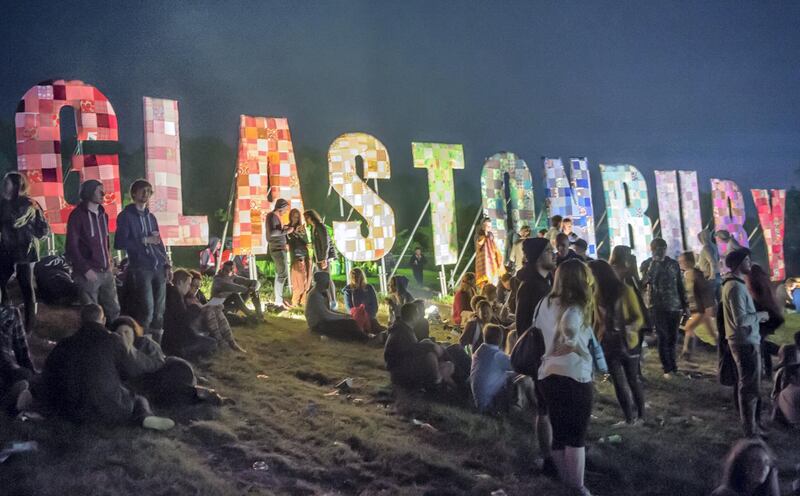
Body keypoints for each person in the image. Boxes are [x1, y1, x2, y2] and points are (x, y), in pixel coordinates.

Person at [42, 304, 174, 431]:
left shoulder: (65, 343)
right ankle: (145, 416)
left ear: (80, 321)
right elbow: (133, 368)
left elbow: (48, 372)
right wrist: (157, 362)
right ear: (103, 320)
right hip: (108, 409)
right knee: (138, 399)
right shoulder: (113, 340)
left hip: (69, 410)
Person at [532, 259, 596, 495]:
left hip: (548, 373)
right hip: (574, 373)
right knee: (576, 434)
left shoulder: (544, 303)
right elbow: (569, 337)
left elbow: (538, 333)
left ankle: (565, 482)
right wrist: (578, 349)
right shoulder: (576, 307)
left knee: (559, 432)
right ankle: (577, 487)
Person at [108, 316, 229, 406]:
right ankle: (206, 395)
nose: (123, 336)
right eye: (119, 333)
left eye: (126, 332)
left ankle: (212, 397)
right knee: (169, 400)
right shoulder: (114, 351)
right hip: (152, 384)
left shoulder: (145, 343)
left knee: (174, 388)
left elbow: (157, 364)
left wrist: (131, 352)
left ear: (134, 332)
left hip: (171, 369)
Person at [589, 259, 646, 425]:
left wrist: (627, 328)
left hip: (628, 342)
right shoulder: (596, 294)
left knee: (632, 379)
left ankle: (641, 416)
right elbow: (596, 321)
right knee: (618, 382)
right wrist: (593, 338)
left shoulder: (625, 291)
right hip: (607, 342)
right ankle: (629, 418)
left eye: (591, 273)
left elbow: (638, 317)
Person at [721, 248, 770, 438]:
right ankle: (750, 431)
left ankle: (753, 426)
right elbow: (741, 319)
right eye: (747, 260)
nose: (750, 263)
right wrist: (760, 316)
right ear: (738, 264)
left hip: (745, 340)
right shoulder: (735, 287)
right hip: (745, 342)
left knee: (750, 386)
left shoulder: (735, 284)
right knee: (749, 387)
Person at [114, 179, 169, 339]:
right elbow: (119, 242)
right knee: (147, 310)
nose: (146, 194)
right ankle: (142, 347)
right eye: (143, 191)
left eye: (149, 191)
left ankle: (157, 349)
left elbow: (159, 242)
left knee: (159, 311)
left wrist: (167, 264)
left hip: (157, 266)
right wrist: (143, 240)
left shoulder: (151, 217)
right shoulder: (125, 216)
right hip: (140, 267)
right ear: (134, 193)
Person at [66, 179, 120, 323]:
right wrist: (85, 269)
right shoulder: (77, 215)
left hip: (105, 270)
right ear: (89, 192)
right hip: (88, 272)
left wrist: (109, 261)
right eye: (99, 190)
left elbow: (105, 241)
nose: (103, 193)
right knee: (92, 314)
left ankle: (115, 340)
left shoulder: (103, 215)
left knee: (113, 309)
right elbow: (72, 245)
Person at [0, 171, 49, 331]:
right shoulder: (5, 203)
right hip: (7, 250)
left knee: (26, 287)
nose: (3, 186)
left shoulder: (27, 204)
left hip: (25, 252)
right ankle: (7, 316)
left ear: (16, 186)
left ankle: (29, 327)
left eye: (6, 183)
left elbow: (15, 221)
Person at [640, 238, 688, 378]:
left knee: (673, 337)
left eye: (663, 248)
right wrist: (653, 265)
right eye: (658, 249)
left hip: (674, 305)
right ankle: (667, 368)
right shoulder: (648, 264)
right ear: (652, 250)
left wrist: (685, 305)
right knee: (663, 336)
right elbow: (643, 283)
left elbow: (680, 284)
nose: (661, 251)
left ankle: (673, 366)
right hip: (657, 306)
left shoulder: (673, 264)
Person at [384, 302, 454, 390]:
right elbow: (412, 350)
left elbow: (412, 349)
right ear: (413, 317)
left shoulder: (401, 328)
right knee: (440, 361)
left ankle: (441, 380)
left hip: (400, 369)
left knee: (442, 361)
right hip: (401, 374)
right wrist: (431, 347)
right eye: (417, 314)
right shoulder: (402, 332)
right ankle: (437, 383)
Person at [162, 269, 217, 359]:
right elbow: (183, 320)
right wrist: (195, 308)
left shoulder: (172, 294)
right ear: (180, 282)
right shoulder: (175, 295)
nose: (188, 288)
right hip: (178, 341)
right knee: (212, 343)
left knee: (210, 341)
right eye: (188, 284)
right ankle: (186, 353)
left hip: (176, 338)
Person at [186, 270, 245, 353]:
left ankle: (231, 341)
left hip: (206, 320)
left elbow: (204, 305)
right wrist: (207, 308)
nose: (195, 289)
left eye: (198, 287)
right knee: (211, 311)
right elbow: (192, 315)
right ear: (188, 284)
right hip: (196, 325)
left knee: (217, 310)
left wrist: (215, 305)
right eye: (193, 286)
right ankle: (221, 341)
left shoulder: (197, 295)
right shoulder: (184, 298)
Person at [305, 271, 369, 341]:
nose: (328, 283)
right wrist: (344, 317)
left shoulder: (323, 292)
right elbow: (326, 315)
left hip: (324, 321)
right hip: (318, 325)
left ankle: (365, 337)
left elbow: (329, 311)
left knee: (350, 323)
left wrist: (345, 315)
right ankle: (366, 340)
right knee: (349, 324)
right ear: (321, 281)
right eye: (327, 281)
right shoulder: (315, 296)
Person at [746, 264, 785, 377]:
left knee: (759, 343)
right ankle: (768, 371)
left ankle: (787, 352)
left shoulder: (755, 285)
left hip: (767, 319)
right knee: (761, 343)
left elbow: (756, 305)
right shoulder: (764, 283)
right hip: (772, 318)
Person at [678, 251, 716, 360]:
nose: (680, 263)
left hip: (701, 309)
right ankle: (687, 352)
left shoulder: (696, 275)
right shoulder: (686, 275)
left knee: (689, 327)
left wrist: (709, 306)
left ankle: (686, 352)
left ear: (689, 262)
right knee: (709, 332)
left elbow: (705, 291)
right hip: (696, 309)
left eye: (682, 261)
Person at [0, 299, 35, 415]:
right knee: (25, 377)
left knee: (23, 376)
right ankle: (9, 404)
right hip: (6, 367)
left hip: (6, 367)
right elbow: (22, 351)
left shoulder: (10, 313)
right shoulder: (11, 313)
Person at [711, 438, 780, 496]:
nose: (763, 467)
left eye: (766, 462)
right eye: (755, 461)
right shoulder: (724, 494)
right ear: (742, 464)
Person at [514, 238, 555, 334]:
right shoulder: (528, 287)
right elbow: (523, 326)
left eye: (552, 250)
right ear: (537, 256)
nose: (554, 255)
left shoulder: (549, 282)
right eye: (548, 250)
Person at [304, 209, 337, 309]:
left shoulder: (320, 226)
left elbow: (325, 243)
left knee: (327, 279)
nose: (306, 220)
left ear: (310, 217)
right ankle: (328, 300)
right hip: (319, 257)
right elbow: (318, 242)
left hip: (323, 257)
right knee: (325, 279)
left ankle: (333, 302)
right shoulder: (314, 227)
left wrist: (324, 258)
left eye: (306, 218)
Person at [265, 199, 294, 308]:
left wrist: (283, 228)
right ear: (281, 207)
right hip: (277, 249)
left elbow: (276, 231)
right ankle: (278, 300)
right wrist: (286, 231)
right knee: (283, 274)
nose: (286, 212)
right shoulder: (272, 216)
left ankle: (279, 299)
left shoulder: (275, 217)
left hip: (279, 248)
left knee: (280, 273)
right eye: (285, 209)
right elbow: (272, 233)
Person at [342, 267, 382, 334]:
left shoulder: (369, 288)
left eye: (357, 276)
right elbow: (349, 308)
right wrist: (360, 316)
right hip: (356, 319)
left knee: (378, 329)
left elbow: (374, 306)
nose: (355, 278)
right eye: (353, 276)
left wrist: (367, 316)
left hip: (370, 317)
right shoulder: (348, 291)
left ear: (361, 277)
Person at [771, 341, 800, 428]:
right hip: (788, 410)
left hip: (782, 405)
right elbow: (784, 393)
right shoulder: (787, 373)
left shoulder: (783, 371)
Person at [287, 208, 312, 307]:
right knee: (298, 283)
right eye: (294, 216)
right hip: (296, 257)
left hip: (305, 255)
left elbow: (306, 241)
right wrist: (293, 233)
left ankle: (303, 302)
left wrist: (301, 233)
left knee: (307, 281)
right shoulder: (287, 227)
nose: (296, 218)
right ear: (290, 216)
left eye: (297, 216)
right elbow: (287, 241)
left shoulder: (302, 227)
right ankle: (295, 302)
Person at [475, 217, 505, 288]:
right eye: (487, 226)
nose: (489, 228)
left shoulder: (491, 235)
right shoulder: (479, 235)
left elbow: (495, 248)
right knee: (485, 284)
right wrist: (485, 235)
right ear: (482, 226)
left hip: (492, 263)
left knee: (494, 282)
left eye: (490, 226)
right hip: (484, 263)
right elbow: (479, 244)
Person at [698, 229, 721, 300]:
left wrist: (712, 276)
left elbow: (712, 262)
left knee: (712, 300)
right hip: (715, 275)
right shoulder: (714, 246)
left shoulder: (706, 248)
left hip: (710, 276)